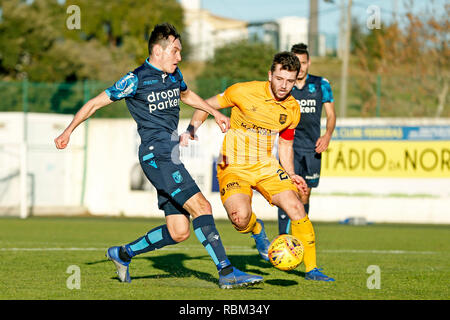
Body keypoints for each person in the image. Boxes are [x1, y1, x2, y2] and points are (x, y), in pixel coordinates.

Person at [54, 23, 263, 289]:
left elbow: (187, 95)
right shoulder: (136, 79)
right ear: (158, 50)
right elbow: (96, 102)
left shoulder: (174, 76)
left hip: (169, 155)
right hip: (157, 155)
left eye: (180, 51)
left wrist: (216, 113)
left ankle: (123, 254)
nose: (179, 57)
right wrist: (68, 131)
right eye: (175, 51)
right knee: (203, 208)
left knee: (179, 232)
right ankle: (227, 272)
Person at [182, 52, 334, 281]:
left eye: (290, 81)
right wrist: (192, 128)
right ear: (270, 75)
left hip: (266, 167)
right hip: (232, 166)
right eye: (280, 79)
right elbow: (205, 105)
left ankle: (312, 269)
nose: (284, 86)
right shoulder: (243, 91)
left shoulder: (292, 109)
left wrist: (291, 173)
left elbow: (285, 144)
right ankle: (257, 229)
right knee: (239, 218)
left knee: (296, 206)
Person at [277, 43, 336, 235]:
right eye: (296, 63)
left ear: (309, 62)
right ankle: (283, 239)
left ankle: (301, 236)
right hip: (289, 146)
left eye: (303, 62)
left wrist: (327, 135)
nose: (300, 67)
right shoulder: (285, 85)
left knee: (305, 193)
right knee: (287, 190)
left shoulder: (321, 85)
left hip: (312, 149)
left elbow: (331, 115)